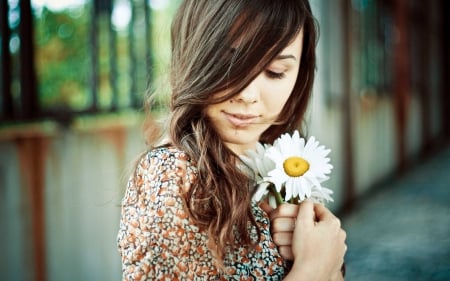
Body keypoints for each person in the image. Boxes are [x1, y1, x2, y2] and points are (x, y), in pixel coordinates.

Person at [117, 0, 347, 280]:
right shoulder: (171, 176)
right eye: (232, 64)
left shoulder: (273, 165)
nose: (248, 94)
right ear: (195, 56)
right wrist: (316, 267)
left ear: (300, 75)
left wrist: (321, 252)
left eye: (275, 72)